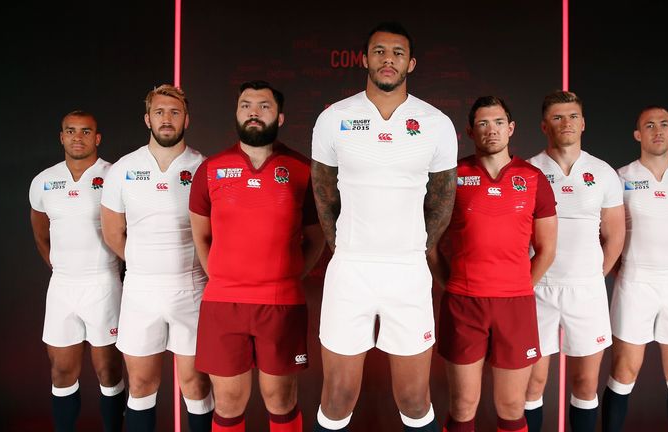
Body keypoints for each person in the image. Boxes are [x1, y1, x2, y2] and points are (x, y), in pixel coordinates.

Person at [310, 22, 458, 432]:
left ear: (410, 63)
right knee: (337, 396)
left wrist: (417, 247)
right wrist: (345, 245)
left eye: (396, 52)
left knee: (413, 398)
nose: (387, 59)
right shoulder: (335, 118)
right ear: (364, 59)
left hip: (408, 269)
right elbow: (324, 194)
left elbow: (443, 200)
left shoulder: (435, 122)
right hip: (351, 267)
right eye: (378, 51)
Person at [189, 80, 325, 432]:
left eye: (263, 106)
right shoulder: (212, 169)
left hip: (281, 304)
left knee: (280, 399)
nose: (253, 111)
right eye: (245, 105)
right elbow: (201, 235)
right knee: (229, 401)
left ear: (280, 117)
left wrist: (289, 275)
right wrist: (221, 276)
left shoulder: (302, 170)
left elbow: (316, 237)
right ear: (236, 114)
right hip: (223, 303)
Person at [432, 97, 558, 432]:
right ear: (470, 131)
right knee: (462, 406)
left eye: (499, 122)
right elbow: (428, 242)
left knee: (513, 406)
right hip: (463, 302)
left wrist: (518, 285)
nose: (492, 130)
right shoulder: (453, 176)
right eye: (484, 124)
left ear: (511, 128)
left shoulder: (533, 178)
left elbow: (546, 249)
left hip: (515, 305)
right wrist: (451, 284)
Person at [100, 85, 213, 432]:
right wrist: (145, 263)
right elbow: (113, 233)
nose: (167, 118)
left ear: (187, 119)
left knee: (195, 385)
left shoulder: (204, 167)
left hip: (191, 290)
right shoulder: (122, 169)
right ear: (147, 118)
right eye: (160, 112)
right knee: (141, 386)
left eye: (175, 112)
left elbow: (213, 235)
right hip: (141, 291)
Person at [602, 106, 668, 432]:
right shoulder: (620, 178)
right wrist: (629, 271)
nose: (658, 130)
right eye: (649, 125)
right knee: (624, 372)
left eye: (664, 124)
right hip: (634, 284)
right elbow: (606, 235)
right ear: (638, 134)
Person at [525, 91, 625, 432]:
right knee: (533, 384)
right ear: (543, 125)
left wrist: (593, 276)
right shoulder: (527, 171)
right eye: (557, 117)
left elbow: (614, 236)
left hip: (586, 291)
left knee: (585, 384)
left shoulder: (603, 173)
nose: (565, 123)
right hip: (538, 290)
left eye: (572, 116)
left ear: (582, 123)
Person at [29, 110, 126, 432]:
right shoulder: (43, 181)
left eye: (86, 132)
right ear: (61, 136)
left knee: (109, 372)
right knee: (61, 372)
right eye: (71, 131)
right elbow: (41, 233)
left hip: (104, 283)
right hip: (63, 286)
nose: (78, 137)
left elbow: (127, 231)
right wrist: (62, 267)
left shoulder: (114, 175)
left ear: (97, 138)